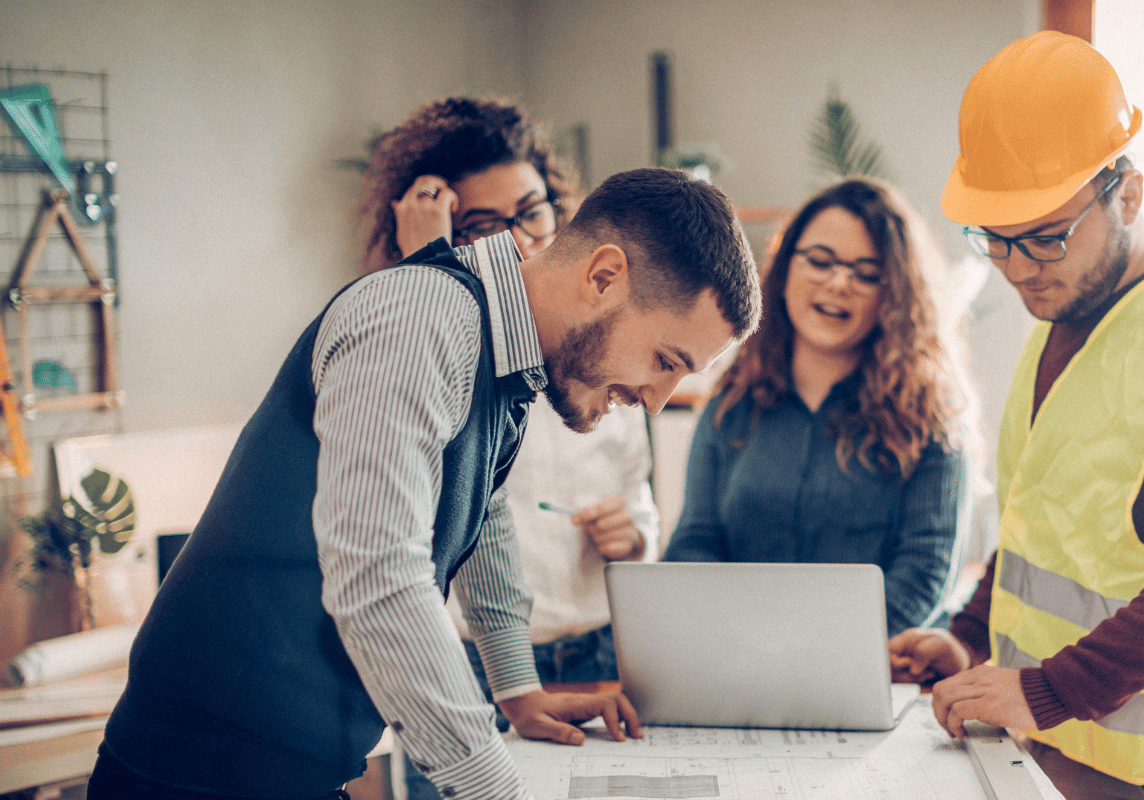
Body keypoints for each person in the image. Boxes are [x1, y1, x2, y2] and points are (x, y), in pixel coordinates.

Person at [89, 166, 762, 800]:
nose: (656, 400)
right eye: (666, 360)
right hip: (198, 769)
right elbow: (379, 574)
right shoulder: (421, 319)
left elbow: (483, 513)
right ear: (604, 275)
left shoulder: (511, 359)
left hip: (288, 767)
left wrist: (517, 689)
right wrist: (492, 785)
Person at [888, 32, 1144, 800]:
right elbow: (1040, 533)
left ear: (1130, 196)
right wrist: (968, 636)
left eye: (1046, 237)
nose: (1018, 270)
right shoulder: (1062, 319)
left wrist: (1047, 692)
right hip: (1060, 747)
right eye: (996, 242)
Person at [363, 97, 663, 800]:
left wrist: (636, 534)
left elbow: (632, 498)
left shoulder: (599, 356)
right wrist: (428, 264)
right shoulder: (423, 348)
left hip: (590, 646)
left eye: (529, 213)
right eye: (480, 227)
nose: (518, 242)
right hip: (466, 656)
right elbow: (405, 543)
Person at [663, 177, 969, 637]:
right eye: (821, 261)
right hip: (743, 659)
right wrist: (747, 640)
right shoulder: (731, 405)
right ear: (786, 269)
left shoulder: (930, 415)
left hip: (878, 670)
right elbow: (694, 545)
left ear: (894, 296)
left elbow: (925, 573)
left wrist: (816, 647)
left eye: (866, 273)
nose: (839, 283)